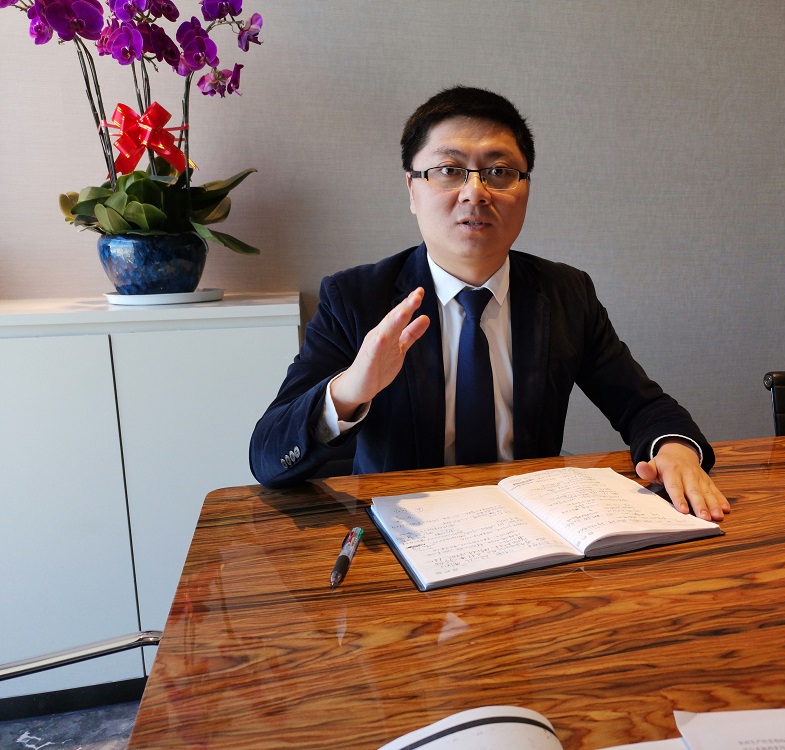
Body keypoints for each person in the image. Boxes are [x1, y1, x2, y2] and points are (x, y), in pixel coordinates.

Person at [250, 86, 730, 522]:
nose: (475, 191)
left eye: (500, 172)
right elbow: (268, 456)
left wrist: (675, 448)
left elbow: (642, 405)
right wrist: (349, 390)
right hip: (403, 539)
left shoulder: (566, 294)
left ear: (526, 190)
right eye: (448, 171)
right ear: (412, 190)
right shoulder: (355, 298)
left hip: (530, 533)